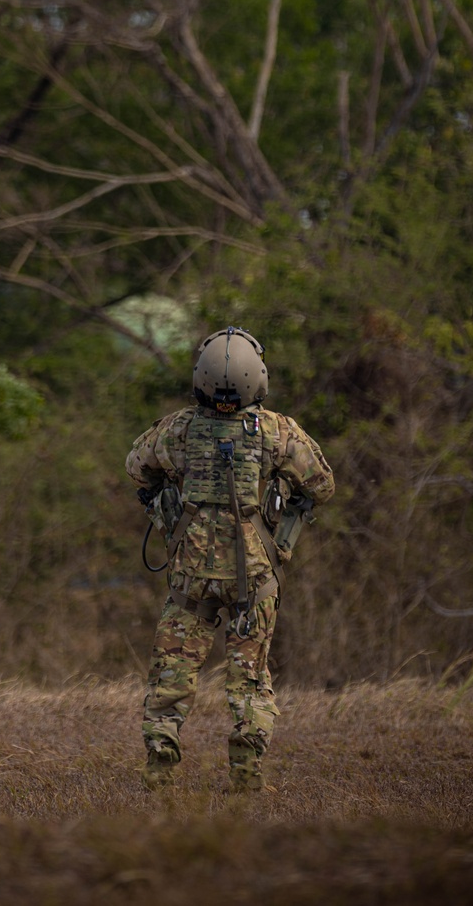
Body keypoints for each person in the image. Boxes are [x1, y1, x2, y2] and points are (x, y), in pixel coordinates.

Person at [126, 325, 334, 793]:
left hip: (191, 577)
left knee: (173, 672)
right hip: (255, 579)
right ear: (256, 377)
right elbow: (322, 484)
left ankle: (159, 767)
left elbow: (137, 467)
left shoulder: (178, 428)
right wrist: (280, 489)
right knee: (250, 680)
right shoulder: (277, 430)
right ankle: (246, 773)